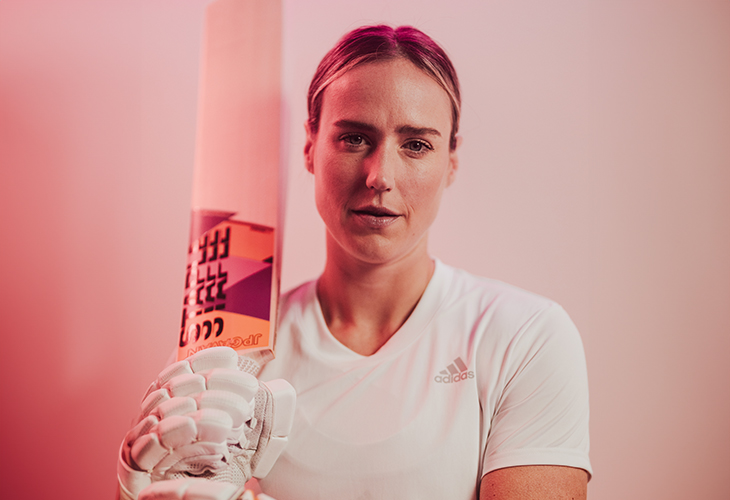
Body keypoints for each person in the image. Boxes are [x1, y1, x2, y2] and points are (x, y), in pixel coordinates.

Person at [119, 24, 591, 500]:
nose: (380, 176)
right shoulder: (229, 350)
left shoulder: (523, 336)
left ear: (451, 161)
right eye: (354, 139)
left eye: (417, 144)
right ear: (310, 146)